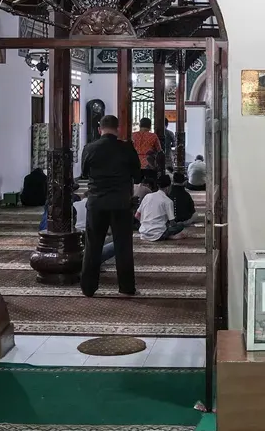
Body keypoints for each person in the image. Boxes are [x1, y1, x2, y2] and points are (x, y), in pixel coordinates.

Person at [79, 114, 141, 297]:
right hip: (121, 203)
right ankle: (126, 287)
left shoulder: (90, 148)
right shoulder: (126, 148)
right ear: (118, 129)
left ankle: (88, 288)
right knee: (123, 245)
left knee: (93, 246)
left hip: (96, 203)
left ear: (100, 129)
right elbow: (138, 176)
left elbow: (83, 173)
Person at [138, 173, 187, 241]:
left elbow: (137, 215)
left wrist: (145, 223)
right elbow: (172, 223)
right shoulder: (168, 201)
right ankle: (168, 236)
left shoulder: (147, 196)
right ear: (168, 187)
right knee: (180, 225)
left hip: (143, 233)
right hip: (158, 234)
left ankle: (167, 235)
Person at [132, 117, 162, 182]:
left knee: (136, 185)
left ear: (140, 125)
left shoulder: (133, 135)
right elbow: (159, 150)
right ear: (150, 126)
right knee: (150, 185)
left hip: (135, 163)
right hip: (149, 164)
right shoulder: (153, 136)